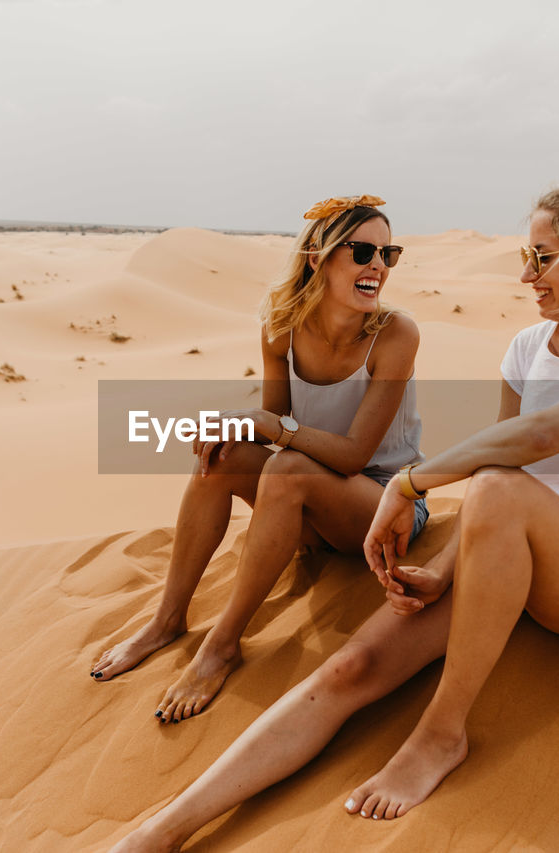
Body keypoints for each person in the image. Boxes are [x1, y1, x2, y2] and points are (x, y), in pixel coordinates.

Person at [108, 180, 559, 851]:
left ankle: (442, 733)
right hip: (506, 537)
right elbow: (502, 482)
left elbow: (533, 445)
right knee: (352, 666)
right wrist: (445, 570)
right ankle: (157, 833)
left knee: (499, 485)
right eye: (525, 255)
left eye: (542, 257)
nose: (525, 274)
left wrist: (412, 482)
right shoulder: (529, 349)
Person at [90, 194, 427, 724]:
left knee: (287, 467)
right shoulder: (281, 326)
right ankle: (167, 619)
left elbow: (353, 454)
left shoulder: (395, 334)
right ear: (318, 258)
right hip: (310, 504)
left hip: (384, 507)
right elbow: (273, 421)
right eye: (363, 252)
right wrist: (237, 424)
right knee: (221, 455)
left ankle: (222, 644)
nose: (378, 267)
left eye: (390, 254)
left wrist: (274, 428)